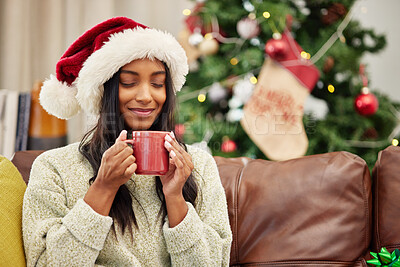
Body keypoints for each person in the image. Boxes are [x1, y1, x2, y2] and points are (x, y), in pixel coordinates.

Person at [22, 17, 232, 266]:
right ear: (103, 90)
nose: (145, 96)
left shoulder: (199, 166)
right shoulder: (54, 167)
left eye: (157, 83)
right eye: (129, 83)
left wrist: (175, 198)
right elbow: (46, 262)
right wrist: (103, 188)